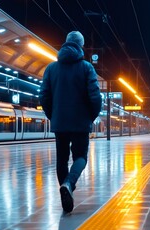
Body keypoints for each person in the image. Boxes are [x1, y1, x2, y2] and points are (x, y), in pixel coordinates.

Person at [39, 31, 102, 213]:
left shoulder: (51, 69)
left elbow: (43, 96)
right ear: (81, 46)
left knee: (61, 160)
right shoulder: (86, 67)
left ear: (65, 44)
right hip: (81, 122)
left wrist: (53, 115)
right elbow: (95, 97)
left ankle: (65, 194)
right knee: (80, 157)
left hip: (60, 123)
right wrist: (90, 116)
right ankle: (69, 183)